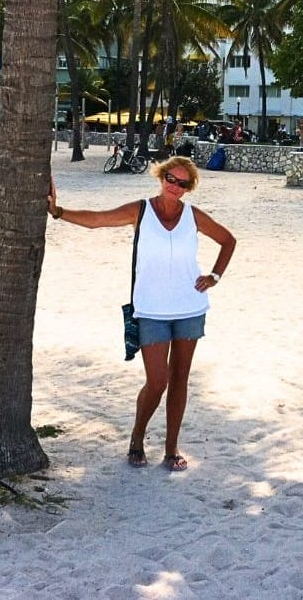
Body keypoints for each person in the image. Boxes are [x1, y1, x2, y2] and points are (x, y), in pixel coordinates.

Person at [47, 157, 236, 472]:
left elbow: (228, 240)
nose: (174, 186)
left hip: (190, 308)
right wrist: (58, 212)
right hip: (151, 310)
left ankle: (171, 448)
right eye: (170, 179)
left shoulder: (193, 216)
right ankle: (137, 436)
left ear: (189, 188)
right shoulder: (141, 210)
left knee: (180, 380)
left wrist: (214, 276)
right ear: (161, 177)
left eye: (182, 183)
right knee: (158, 381)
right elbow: (98, 220)